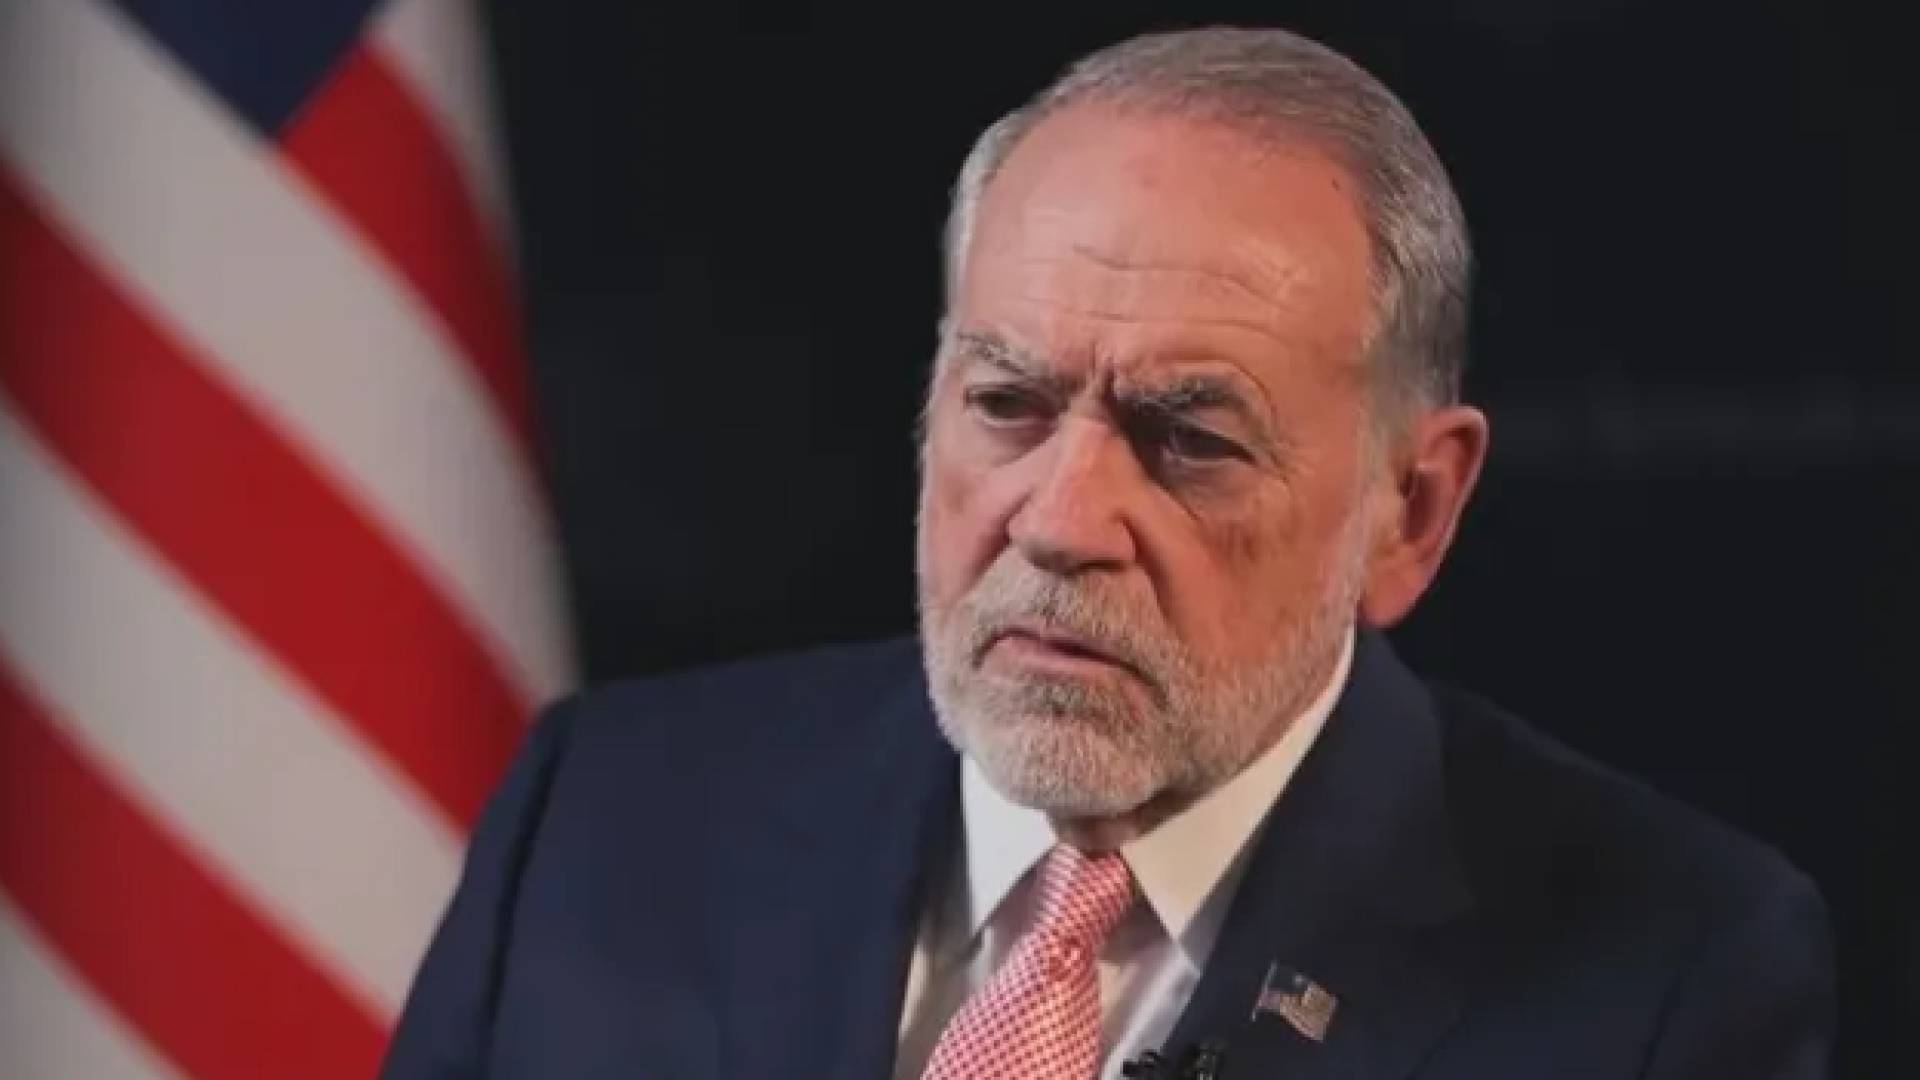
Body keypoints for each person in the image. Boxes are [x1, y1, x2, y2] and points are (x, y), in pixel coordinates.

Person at [380, 26, 1833, 1080]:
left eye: (1189, 439)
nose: (1061, 522)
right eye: (1007, 404)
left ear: (1411, 511)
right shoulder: (601, 817)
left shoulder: (1673, 976)